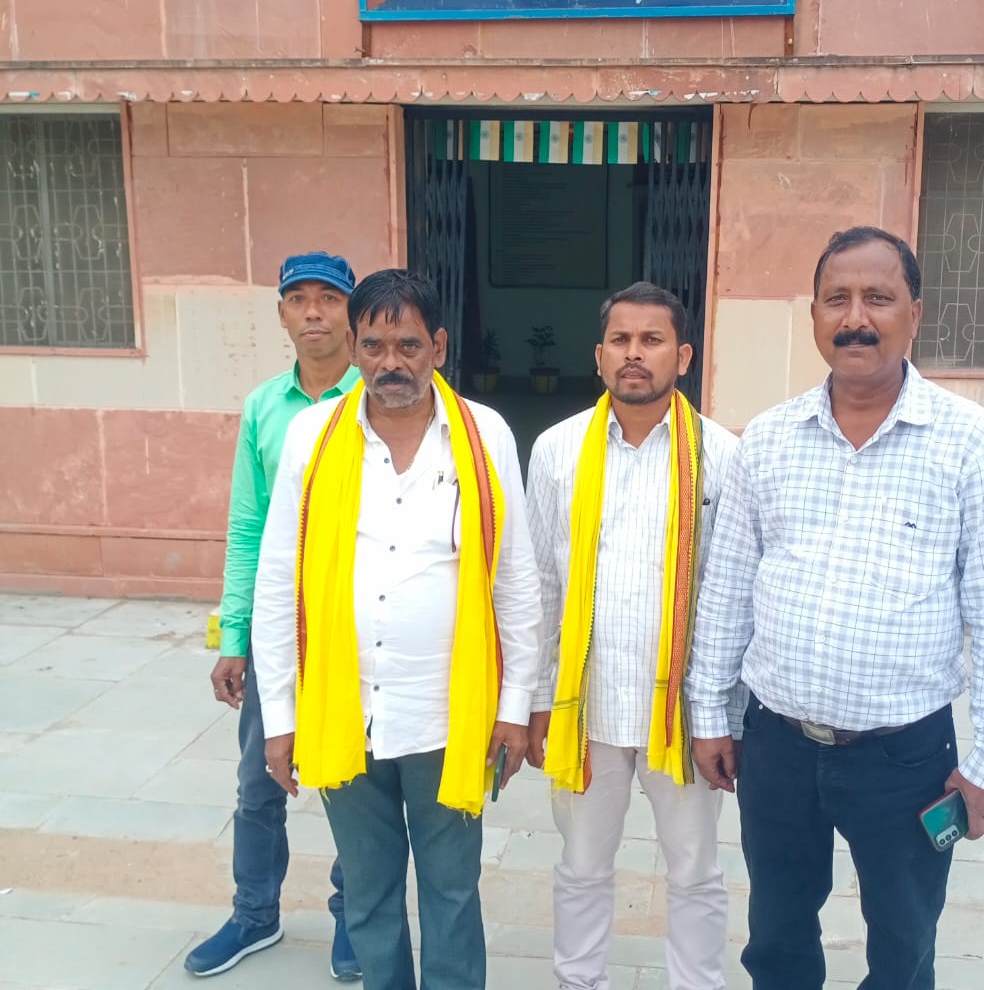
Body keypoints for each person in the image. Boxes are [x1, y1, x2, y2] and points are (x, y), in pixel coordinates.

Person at [686, 226, 984, 990]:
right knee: (777, 935)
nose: (855, 318)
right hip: (776, 747)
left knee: (904, 944)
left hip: (905, 759)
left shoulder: (971, 443)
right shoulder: (768, 440)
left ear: (915, 313)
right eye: (836, 299)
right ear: (813, 315)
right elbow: (729, 588)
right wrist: (710, 711)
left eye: (878, 298)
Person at [250, 269, 540, 990]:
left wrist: (514, 708)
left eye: (408, 345)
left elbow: (515, 578)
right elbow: (280, 581)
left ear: (438, 347)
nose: (391, 363)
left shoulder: (484, 435)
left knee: (451, 890)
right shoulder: (314, 437)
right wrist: (280, 718)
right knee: (370, 895)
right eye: (374, 346)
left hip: (448, 716)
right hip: (342, 711)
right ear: (353, 349)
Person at [526, 281, 741, 990]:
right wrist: (535, 700)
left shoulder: (724, 456)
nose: (634, 354)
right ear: (598, 356)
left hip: (683, 713)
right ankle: (578, 981)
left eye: (652, 340)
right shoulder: (558, 451)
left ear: (683, 356)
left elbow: (731, 596)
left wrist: (722, 714)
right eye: (620, 340)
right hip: (586, 707)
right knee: (582, 866)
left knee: (695, 870)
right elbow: (541, 582)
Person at [186, 252, 362, 980]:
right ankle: (253, 914)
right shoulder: (264, 406)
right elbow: (248, 526)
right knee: (260, 781)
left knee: (355, 781)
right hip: (278, 627)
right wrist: (233, 635)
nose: (314, 311)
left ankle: (357, 917)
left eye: (329, 298)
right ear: (282, 313)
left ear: (352, 311)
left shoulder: (381, 396)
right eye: (299, 298)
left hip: (356, 629)